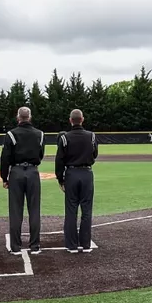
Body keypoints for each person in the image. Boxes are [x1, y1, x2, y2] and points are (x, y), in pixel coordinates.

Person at [0, 106, 45, 253]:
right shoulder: (40, 134)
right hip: (33, 172)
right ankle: (35, 245)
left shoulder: (11, 134)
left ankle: (15, 246)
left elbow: (5, 158)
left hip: (16, 172)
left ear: (18, 117)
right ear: (30, 117)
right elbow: (40, 155)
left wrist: (4, 177)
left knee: (15, 211)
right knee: (34, 210)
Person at [55, 108, 99, 252]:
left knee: (71, 210)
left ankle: (71, 244)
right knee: (86, 210)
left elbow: (59, 160)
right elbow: (95, 154)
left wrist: (60, 179)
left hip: (71, 174)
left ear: (70, 120)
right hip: (87, 173)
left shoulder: (64, 138)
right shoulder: (91, 136)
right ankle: (85, 243)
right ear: (82, 119)